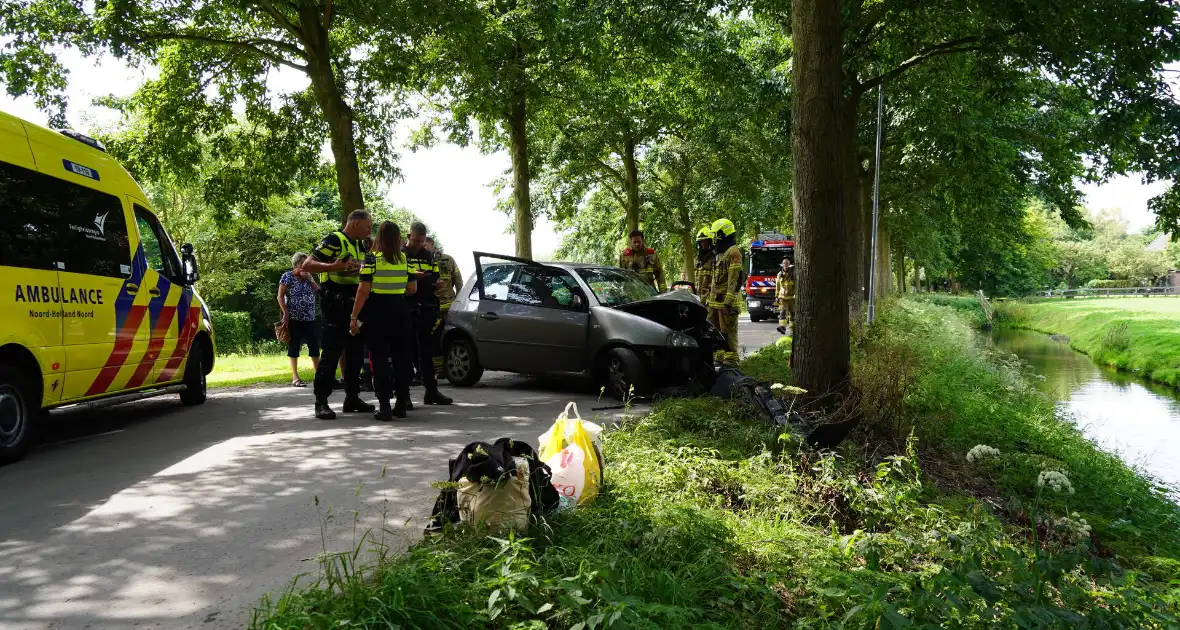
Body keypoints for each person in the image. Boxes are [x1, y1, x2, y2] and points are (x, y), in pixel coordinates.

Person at [300, 209, 376, 420]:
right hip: (335, 303)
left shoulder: (361, 244)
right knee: (332, 352)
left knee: (355, 352)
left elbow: (358, 269)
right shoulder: (334, 240)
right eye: (368, 225)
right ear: (356, 223)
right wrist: (334, 266)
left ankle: (352, 397)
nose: (370, 230)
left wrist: (358, 268)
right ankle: (321, 401)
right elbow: (307, 265)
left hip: (356, 304)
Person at [350, 221, 416, 420]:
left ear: (379, 237)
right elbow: (413, 289)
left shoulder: (372, 260)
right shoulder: (405, 259)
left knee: (379, 360)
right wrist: (395, 291)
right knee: (402, 358)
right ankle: (402, 403)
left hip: (377, 311)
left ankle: (385, 406)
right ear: (398, 239)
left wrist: (354, 316)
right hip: (400, 311)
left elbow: (363, 290)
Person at [405, 222, 454, 405]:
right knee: (405, 352)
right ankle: (405, 395)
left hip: (426, 307)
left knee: (425, 353)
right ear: (408, 236)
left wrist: (435, 282)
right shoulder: (400, 255)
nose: (418, 244)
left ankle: (431, 392)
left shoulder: (429, 255)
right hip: (406, 306)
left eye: (422, 241)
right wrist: (412, 277)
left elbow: (434, 275)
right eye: (415, 240)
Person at [278, 252, 321, 387]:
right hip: (294, 318)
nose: (306, 265)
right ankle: (295, 377)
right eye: (303, 263)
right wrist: (285, 312)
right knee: (294, 347)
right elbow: (280, 296)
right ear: (296, 264)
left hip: (310, 318)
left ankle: (318, 376)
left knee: (314, 347)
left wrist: (311, 279)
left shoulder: (309, 277)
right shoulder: (287, 276)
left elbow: (319, 291)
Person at [425, 237, 464, 378]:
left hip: (445, 307)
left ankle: (443, 368)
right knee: (436, 338)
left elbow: (458, 281)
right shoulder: (425, 260)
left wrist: (460, 301)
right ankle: (440, 369)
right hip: (435, 306)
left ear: (432, 244)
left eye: (425, 244)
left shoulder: (446, 259)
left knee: (442, 337)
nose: (423, 247)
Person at [708, 218, 744, 366]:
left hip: (726, 304)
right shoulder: (722, 253)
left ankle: (731, 361)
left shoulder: (733, 253)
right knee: (716, 332)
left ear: (724, 234)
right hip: (716, 303)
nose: (714, 240)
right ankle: (720, 358)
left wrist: (728, 302)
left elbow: (734, 279)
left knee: (728, 332)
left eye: (716, 235)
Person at [694, 226, 715, 301]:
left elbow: (715, 280)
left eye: (705, 241)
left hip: (709, 298)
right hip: (699, 297)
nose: (702, 244)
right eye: (701, 242)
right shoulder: (699, 259)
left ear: (710, 242)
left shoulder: (714, 258)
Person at [775, 256, 795, 336]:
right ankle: (782, 327)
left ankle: (793, 329)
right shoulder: (779, 274)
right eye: (784, 263)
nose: (785, 264)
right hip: (782, 297)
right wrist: (776, 296)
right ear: (782, 265)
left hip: (792, 297)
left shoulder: (793, 274)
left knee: (792, 313)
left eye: (787, 263)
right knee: (782, 312)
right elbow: (777, 286)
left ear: (789, 264)